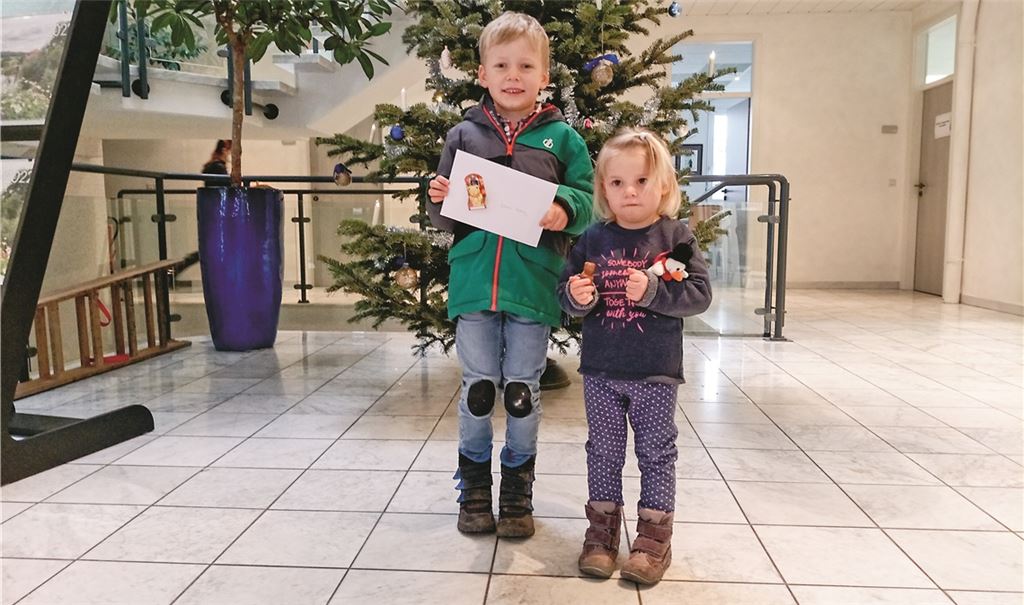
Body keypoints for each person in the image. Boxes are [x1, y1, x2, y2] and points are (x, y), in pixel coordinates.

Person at [426, 11, 594, 538]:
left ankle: (517, 489)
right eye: (501, 64)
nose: (513, 74)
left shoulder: (562, 139)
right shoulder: (463, 135)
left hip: (533, 283)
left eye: (526, 65)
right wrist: (437, 198)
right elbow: (443, 214)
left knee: (521, 390)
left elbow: (589, 199)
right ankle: (474, 487)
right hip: (475, 281)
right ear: (482, 73)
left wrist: (565, 206)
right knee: (478, 389)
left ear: (545, 76)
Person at [558, 128, 712, 584]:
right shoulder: (591, 239)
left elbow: (699, 293)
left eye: (641, 181)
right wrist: (577, 296)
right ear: (603, 189)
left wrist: (655, 291)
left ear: (663, 185)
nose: (629, 191)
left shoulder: (676, 236)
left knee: (656, 453)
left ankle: (653, 537)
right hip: (602, 370)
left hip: (655, 372)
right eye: (617, 182)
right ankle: (602, 533)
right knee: (603, 452)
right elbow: (567, 295)